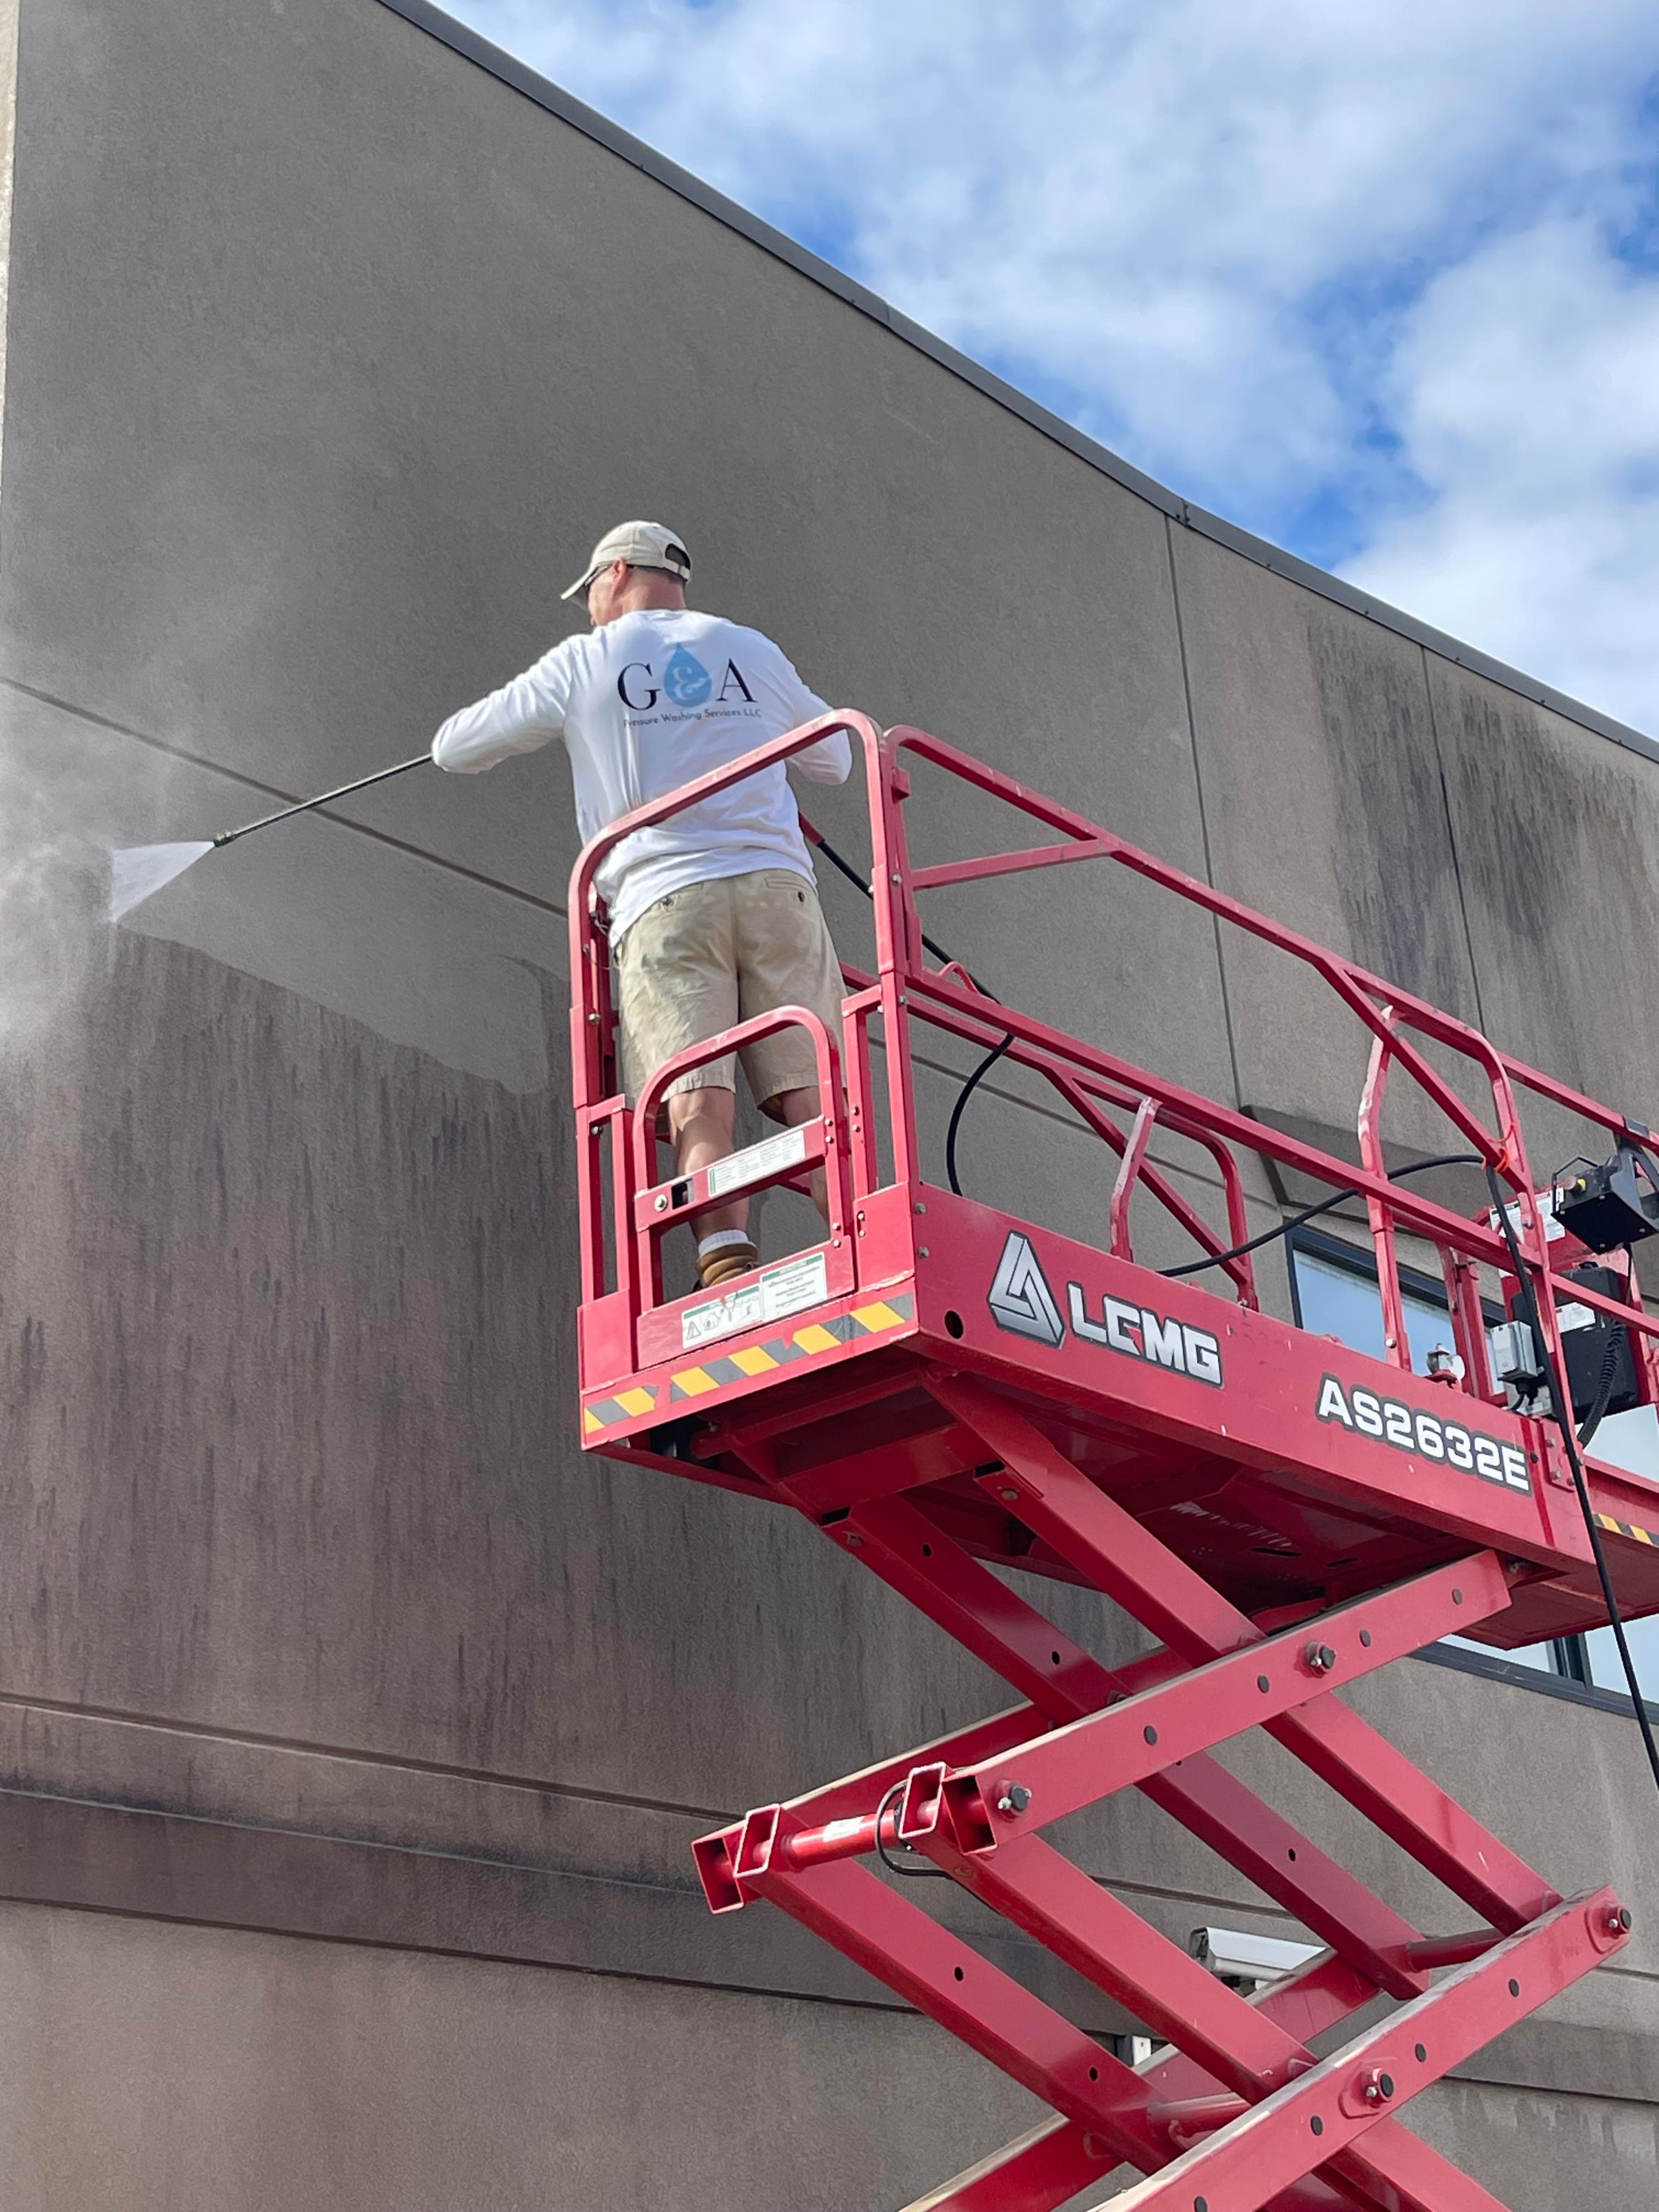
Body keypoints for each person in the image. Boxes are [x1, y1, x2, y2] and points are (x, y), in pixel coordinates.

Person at [431, 520, 852, 1291]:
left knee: (696, 1088)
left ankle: (725, 1261)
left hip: (664, 900)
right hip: (776, 888)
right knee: (810, 1083)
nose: (588, 606)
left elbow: (455, 747)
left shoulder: (586, 659)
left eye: (590, 588)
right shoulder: (751, 649)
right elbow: (837, 758)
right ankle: (858, 1235)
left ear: (617, 571)